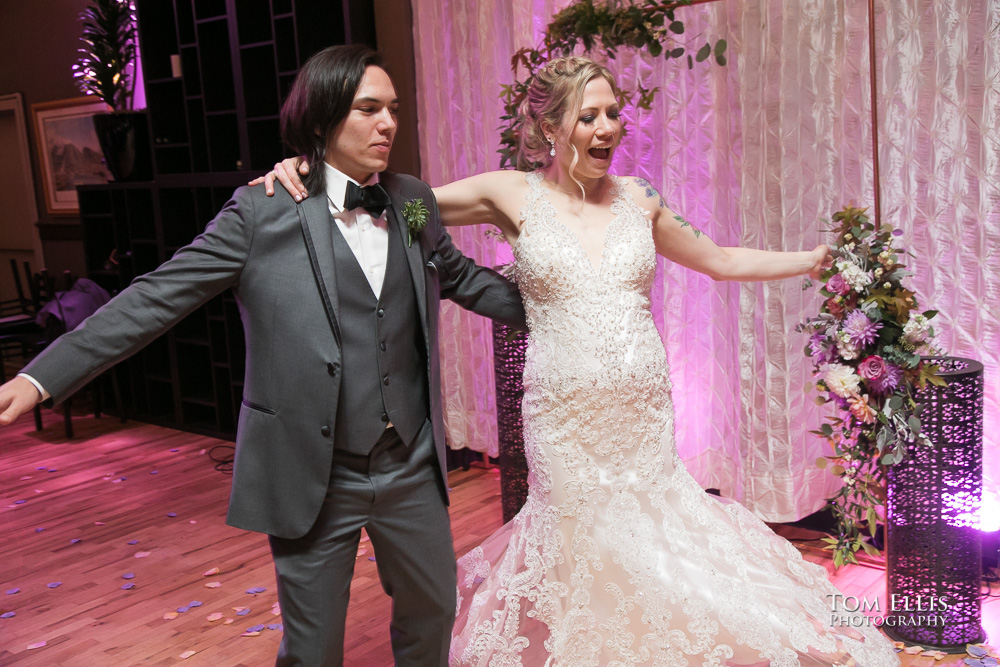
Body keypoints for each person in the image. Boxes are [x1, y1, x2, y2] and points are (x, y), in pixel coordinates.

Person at [261, 56, 900, 666]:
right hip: (563, 416)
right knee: (582, 546)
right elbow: (395, 205)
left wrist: (809, 261)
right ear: (549, 127)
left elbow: (723, 260)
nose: (607, 128)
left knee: (660, 535)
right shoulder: (508, 195)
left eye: (613, 114)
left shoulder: (639, 199)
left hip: (641, 410)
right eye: (590, 116)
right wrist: (304, 172)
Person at [0, 45, 526, 667]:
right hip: (313, 468)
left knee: (433, 613)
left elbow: (458, 274)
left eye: (392, 109)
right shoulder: (261, 211)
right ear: (323, 118)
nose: (388, 123)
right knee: (312, 648)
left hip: (409, 457)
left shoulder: (412, 199)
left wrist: (566, 300)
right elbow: (155, 298)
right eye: (368, 109)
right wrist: (41, 375)